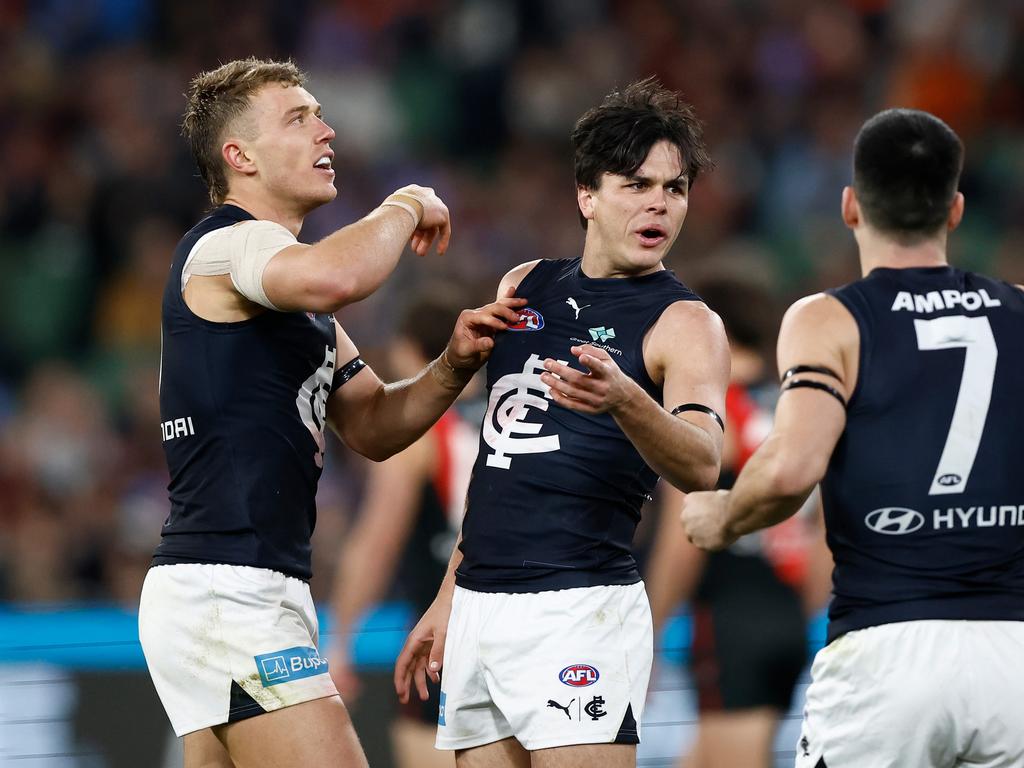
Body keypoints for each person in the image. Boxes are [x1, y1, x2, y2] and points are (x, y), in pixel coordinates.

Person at [137, 57, 524, 768]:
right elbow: (338, 275)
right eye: (299, 117)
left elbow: (373, 423)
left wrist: (451, 366)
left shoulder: (289, 298)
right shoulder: (227, 246)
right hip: (230, 588)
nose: (327, 129)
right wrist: (404, 201)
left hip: (236, 585)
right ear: (239, 156)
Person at [394, 77, 731, 768]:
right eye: (637, 184)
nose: (659, 204)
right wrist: (449, 595)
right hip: (482, 605)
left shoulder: (686, 323)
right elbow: (500, 462)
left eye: (675, 188)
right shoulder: (524, 286)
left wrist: (627, 400)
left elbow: (704, 463)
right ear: (587, 195)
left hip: (581, 609)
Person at [680, 108, 1024, 767]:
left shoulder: (829, 320)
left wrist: (723, 516)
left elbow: (789, 470)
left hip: (888, 650)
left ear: (849, 206)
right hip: (1013, 654)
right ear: (954, 209)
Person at [646, 274, 831, 768]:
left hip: (727, 620)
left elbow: (679, 539)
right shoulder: (799, 411)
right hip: (788, 616)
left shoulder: (709, 418)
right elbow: (824, 536)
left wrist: (648, 633)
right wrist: (801, 612)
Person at [329, 289, 482, 768]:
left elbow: (377, 543)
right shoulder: (517, 413)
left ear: (407, 350)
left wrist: (340, 639)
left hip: (441, 636)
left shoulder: (420, 438)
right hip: (522, 625)